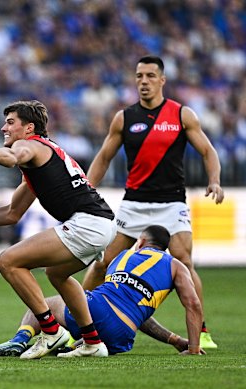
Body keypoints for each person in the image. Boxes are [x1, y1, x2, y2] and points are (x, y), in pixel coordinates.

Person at [0, 100, 117, 359]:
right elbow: (12, 214)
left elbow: (12, 156)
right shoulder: (41, 159)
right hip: (101, 223)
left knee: (8, 261)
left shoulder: (28, 145)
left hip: (87, 222)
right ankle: (92, 342)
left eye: (10, 122)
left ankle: (51, 331)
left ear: (29, 127)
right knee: (57, 275)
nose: (4, 128)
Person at [80, 55, 224, 349]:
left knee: (184, 262)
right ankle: (79, 318)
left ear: (162, 80)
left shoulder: (183, 115)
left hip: (172, 203)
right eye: (138, 76)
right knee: (102, 262)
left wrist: (215, 180)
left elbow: (208, 152)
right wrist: (86, 188)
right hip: (134, 204)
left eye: (149, 76)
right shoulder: (124, 117)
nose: (143, 82)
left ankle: (203, 331)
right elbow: (104, 157)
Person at [0, 225, 205, 357]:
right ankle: (73, 345)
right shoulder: (176, 265)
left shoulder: (122, 256)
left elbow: (112, 301)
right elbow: (192, 304)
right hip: (123, 334)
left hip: (98, 309)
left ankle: (20, 339)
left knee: (45, 302)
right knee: (120, 313)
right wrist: (185, 343)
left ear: (142, 241)